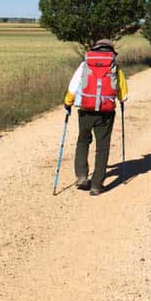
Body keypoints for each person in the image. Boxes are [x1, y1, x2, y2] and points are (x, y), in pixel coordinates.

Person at [64, 38, 129, 195]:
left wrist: (68, 102)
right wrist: (121, 100)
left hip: (86, 109)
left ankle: (81, 176)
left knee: (83, 141)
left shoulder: (85, 64)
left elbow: (73, 87)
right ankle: (97, 185)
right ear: (111, 52)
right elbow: (123, 94)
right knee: (102, 147)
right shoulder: (115, 67)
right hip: (106, 112)